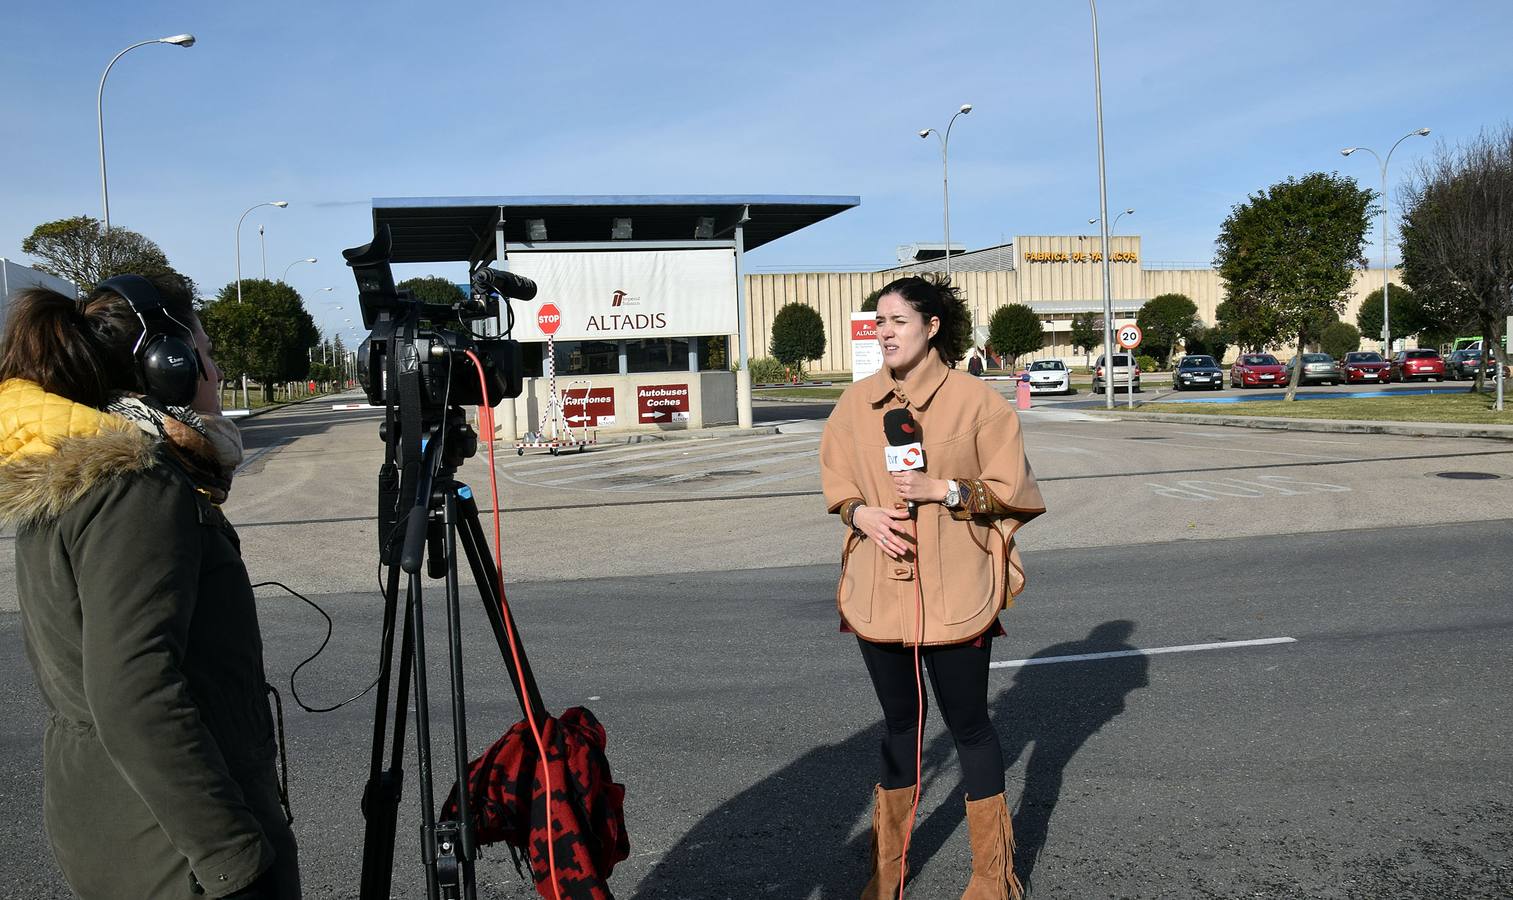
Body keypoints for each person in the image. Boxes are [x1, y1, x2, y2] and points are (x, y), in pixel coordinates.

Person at [0, 276, 300, 898]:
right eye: (206, 353)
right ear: (170, 366)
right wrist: (234, 860)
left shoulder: (80, 471)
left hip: (123, 820)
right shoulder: (136, 486)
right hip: (173, 847)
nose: (216, 370)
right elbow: (132, 692)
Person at [820, 276, 1045, 899]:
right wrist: (858, 513)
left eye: (896, 320)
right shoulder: (855, 403)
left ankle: (991, 877)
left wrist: (943, 490)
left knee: (969, 726)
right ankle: (886, 874)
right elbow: (839, 485)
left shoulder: (978, 404)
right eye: (878, 322)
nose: (883, 331)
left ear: (932, 325)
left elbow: (1013, 491)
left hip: (956, 591)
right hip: (879, 590)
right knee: (899, 727)